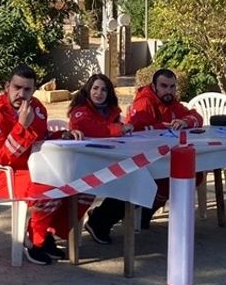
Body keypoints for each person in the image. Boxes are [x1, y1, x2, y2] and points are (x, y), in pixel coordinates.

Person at [0, 65, 91, 266]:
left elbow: (43, 139)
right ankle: (34, 243)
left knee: (84, 185)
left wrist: (63, 135)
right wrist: (21, 126)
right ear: (7, 86)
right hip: (4, 175)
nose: (21, 94)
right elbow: (2, 158)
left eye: (27, 89)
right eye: (17, 87)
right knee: (50, 188)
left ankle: (47, 233)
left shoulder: (38, 108)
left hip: (36, 167)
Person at [83, 69, 203, 244]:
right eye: (163, 86)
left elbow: (196, 116)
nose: (168, 91)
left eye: (172, 87)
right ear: (154, 86)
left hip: (160, 156)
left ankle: (143, 214)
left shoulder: (171, 102)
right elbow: (137, 130)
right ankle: (100, 220)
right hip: (134, 158)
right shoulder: (144, 102)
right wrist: (166, 126)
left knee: (194, 172)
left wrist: (186, 121)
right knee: (141, 180)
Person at [68, 73, 133, 138]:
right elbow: (88, 128)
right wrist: (119, 129)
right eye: (95, 88)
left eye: (103, 90)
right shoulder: (80, 109)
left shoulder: (111, 110)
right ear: (89, 90)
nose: (99, 93)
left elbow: (111, 126)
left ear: (108, 93)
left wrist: (125, 127)